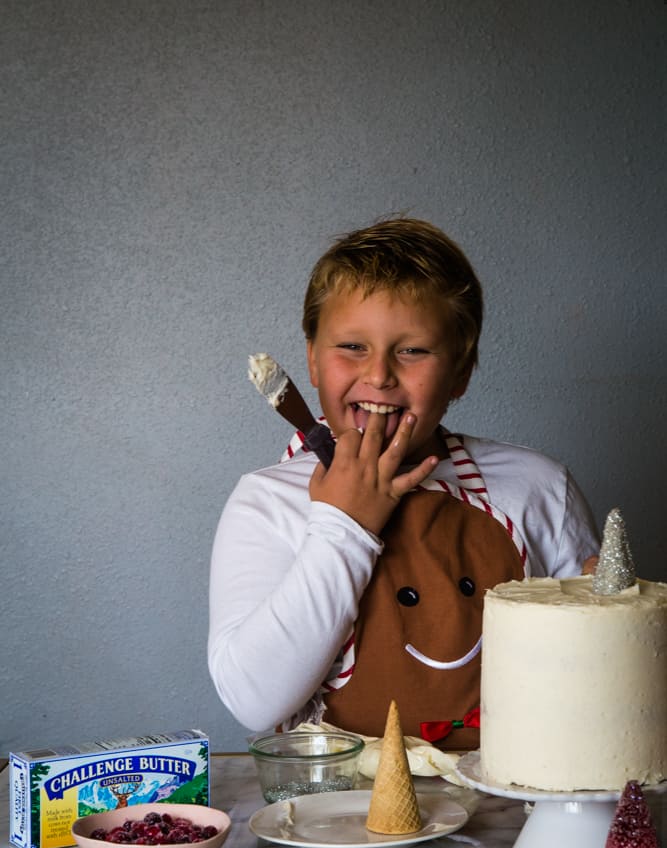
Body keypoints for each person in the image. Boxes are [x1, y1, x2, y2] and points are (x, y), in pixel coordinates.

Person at [208, 218, 599, 748]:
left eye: (412, 350)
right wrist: (343, 526)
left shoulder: (537, 488)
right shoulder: (268, 502)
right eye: (351, 346)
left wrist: (605, 610)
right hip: (336, 812)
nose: (380, 375)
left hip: (508, 812)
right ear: (313, 363)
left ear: (461, 371)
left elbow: (597, 680)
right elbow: (254, 700)